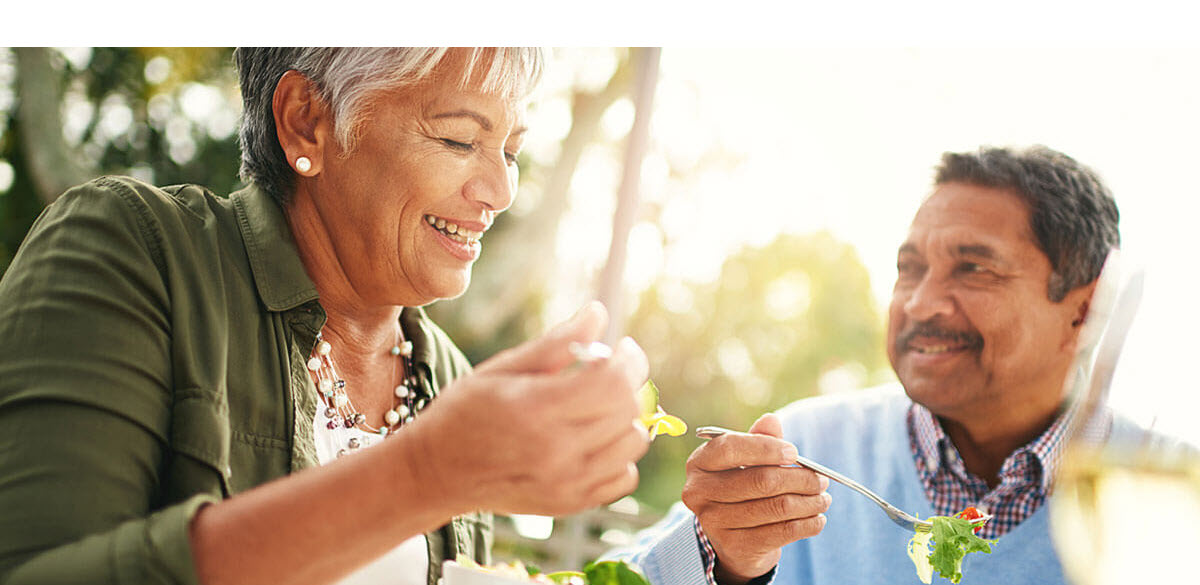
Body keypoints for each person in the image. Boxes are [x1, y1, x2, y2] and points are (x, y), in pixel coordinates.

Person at [0, 48, 652, 585]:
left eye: (509, 150)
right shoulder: (135, 252)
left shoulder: (449, 378)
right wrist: (424, 474)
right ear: (306, 121)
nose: (501, 191)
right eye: (459, 139)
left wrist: (722, 556)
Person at [607, 145, 1130, 585]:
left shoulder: (1166, 494)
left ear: (1084, 310)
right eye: (910, 269)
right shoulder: (803, 449)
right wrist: (722, 561)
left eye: (973, 269)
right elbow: (619, 575)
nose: (921, 303)